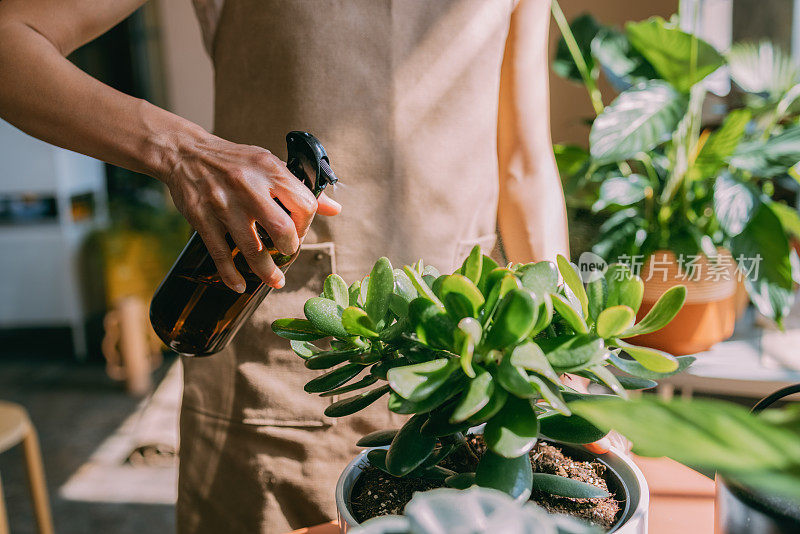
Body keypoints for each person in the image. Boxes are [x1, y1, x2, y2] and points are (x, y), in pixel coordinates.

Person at [0, 0, 569, 532]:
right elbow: (11, 40)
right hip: (282, 369)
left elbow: (524, 162)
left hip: (464, 372)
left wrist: (562, 365)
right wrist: (180, 149)